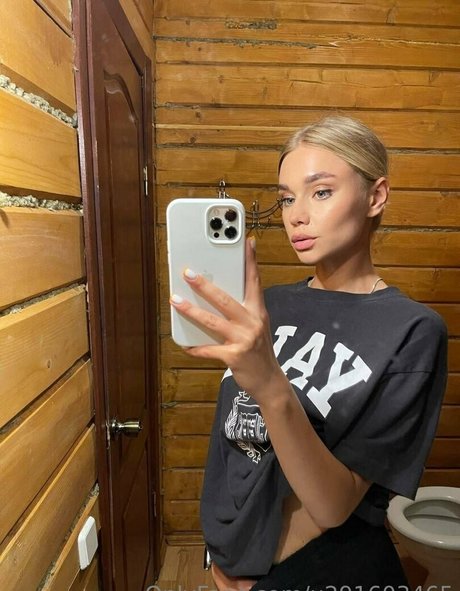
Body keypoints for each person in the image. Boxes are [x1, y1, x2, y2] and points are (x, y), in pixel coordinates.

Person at [169, 116, 448, 591]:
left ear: (376, 196)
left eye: (320, 192)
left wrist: (269, 383)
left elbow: (334, 506)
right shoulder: (269, 306)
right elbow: (236, 447)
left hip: (313, 568)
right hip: (231, 560)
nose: (296, 215)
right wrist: (223, 556)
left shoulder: (412, 330)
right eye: (286, 198)